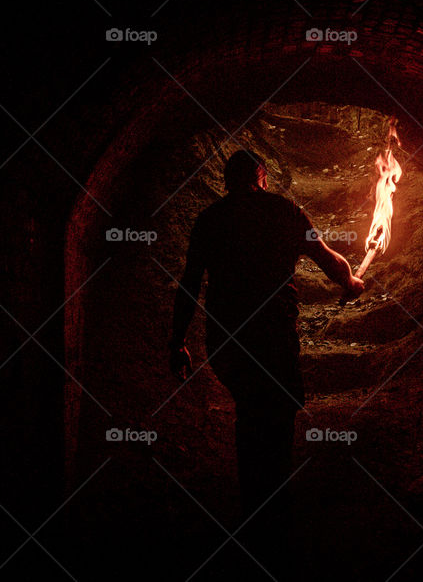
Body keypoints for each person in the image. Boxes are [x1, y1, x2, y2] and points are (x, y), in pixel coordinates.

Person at [168, 149, 365, 572]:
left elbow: (188, 285)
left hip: (226, 338)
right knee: (275, 417)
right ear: (262, 177)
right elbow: (329, 260)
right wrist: (351, 280)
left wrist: (177, 340)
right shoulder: (284, 211)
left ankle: (255, 512)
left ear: (226, 180)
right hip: (273, 335)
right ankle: (272, 516)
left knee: (250, 413)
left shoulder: (210, 220)